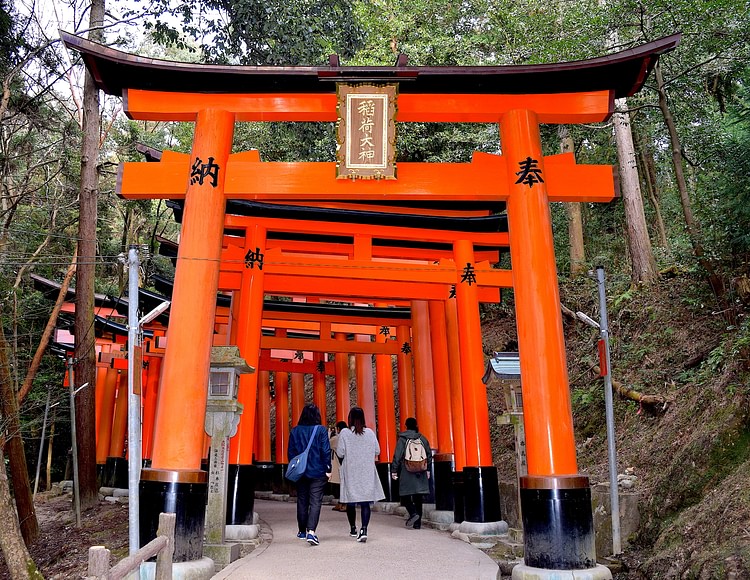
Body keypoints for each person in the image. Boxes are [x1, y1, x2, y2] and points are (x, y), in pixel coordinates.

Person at [336, 407, 385, 543]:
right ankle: (364, 529)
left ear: (350, 418)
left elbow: (340, 452)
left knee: (351, 501)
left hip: (351, 471)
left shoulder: (345, 433)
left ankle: (353, 528)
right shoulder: (369, 433)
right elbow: (377, 450)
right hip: (366, 471)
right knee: (365, 502)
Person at [287, 404, 331, 546]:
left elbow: (291, 453)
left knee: (302, 500)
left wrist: (297, 466)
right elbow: (325, 451)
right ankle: (311, 532)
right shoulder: (321, 430)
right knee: (315, 501)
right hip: (318, 471)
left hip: (301, 472)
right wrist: (328, 468)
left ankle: (301, 531)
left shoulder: (295, 431)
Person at [390, 417, 432, 529]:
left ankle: (413, 513)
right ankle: (417, 524)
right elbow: (428, 455)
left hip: (407, 470)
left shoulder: (403, 439)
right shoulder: (422, 438)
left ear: (406, 426)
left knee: (404, 496)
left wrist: (394, 470)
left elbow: (397, 456)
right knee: (418, 497)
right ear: (416, 425)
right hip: (421, 471)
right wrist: (428, 469)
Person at [329, 421, 348, 512]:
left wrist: (329, 435)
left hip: (341, 463)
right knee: (343, 484)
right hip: (346, 463)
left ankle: (343, 503)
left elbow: (328, 444)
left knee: (341, 484)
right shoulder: (350, 435)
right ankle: (341, 502)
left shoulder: (337, 438)